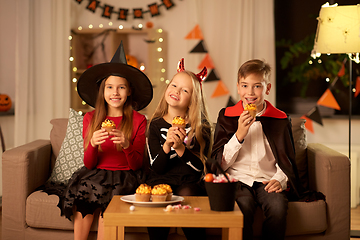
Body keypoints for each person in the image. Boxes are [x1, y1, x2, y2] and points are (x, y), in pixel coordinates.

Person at [61, 42, 152, 240]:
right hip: (96, 174)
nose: (115, 92)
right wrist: (93, 144)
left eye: (121, 87)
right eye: (109, 87)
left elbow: (136, 164)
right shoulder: (90, 118)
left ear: (129, 91)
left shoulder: (138, 120)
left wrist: (127, 145)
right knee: (86, 189)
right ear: (102, 91)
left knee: (111, 200)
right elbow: (89, 163)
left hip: (124, 176)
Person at [211, 59, 303, 240]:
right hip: (237, 179)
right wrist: (239, 134)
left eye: (257, 86)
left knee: (277, 208)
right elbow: (219, 162)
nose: (250, 93)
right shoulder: (226, 116)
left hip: (267, 180)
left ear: (267, 89)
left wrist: (280, 179)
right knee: (242, 208)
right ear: (238, 87)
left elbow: (287, 159)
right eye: (245, 85)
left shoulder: (280, 119)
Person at [145, 58, 212, 240]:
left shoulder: (201, 127)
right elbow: (156, 168)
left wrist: (182, 148)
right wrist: (166, 145)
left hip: (188, 181)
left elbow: (199, 168)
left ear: (192, 100)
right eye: (174, 85)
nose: (176, 91)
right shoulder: (155, 125)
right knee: (158, 195)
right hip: (160, 178)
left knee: (188, 194)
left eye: (184, 90)